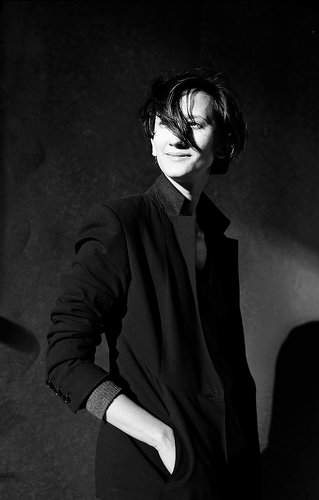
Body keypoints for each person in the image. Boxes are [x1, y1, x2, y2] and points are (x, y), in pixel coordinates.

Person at [45, 69, 260, 500]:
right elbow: (64, 361)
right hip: (149, 474)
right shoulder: (120, 224)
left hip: (224, 473)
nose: (178, 136)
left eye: (194, 124)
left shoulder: (215, 240)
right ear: (151, 139)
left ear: (223, 143)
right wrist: (163, 439)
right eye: (166, 123)